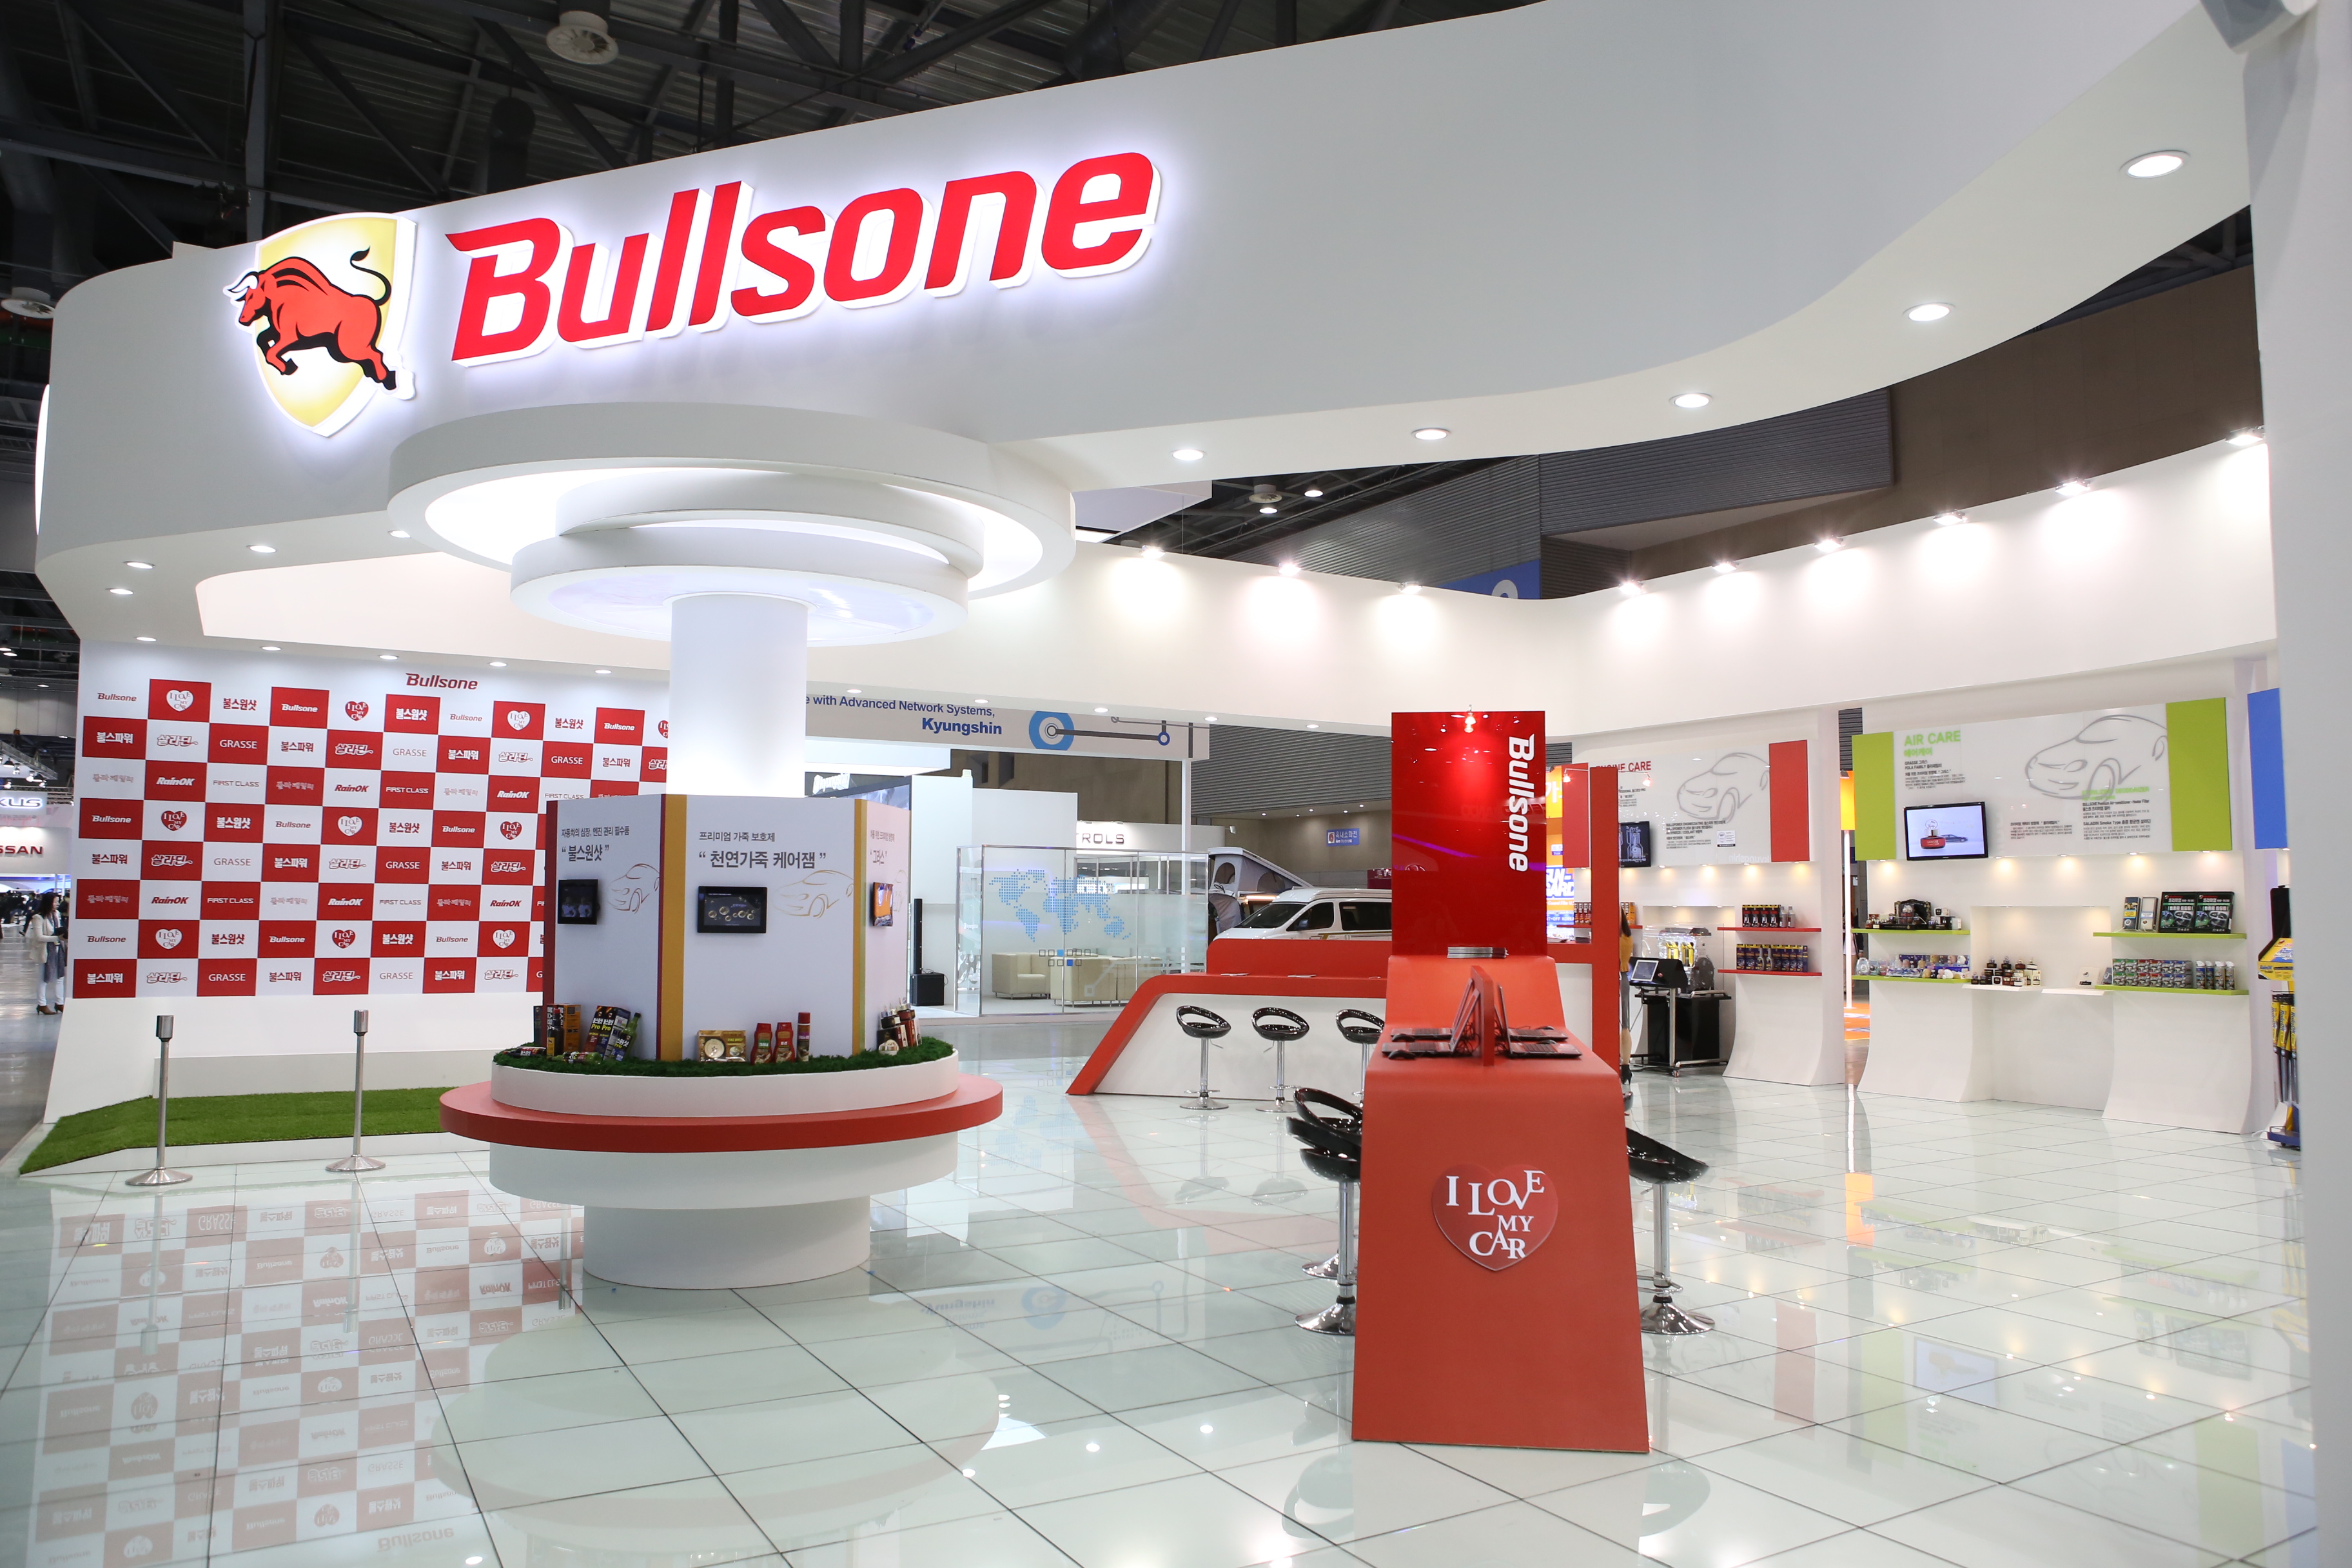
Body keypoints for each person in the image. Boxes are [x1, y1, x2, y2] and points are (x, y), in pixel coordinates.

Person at [28, 892, 61, 1015]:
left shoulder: (56, 914)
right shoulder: (38, 917)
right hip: (45, 951)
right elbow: (39, 937)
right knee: (44, 978)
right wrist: (58, 938)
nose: (57, 904)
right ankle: (42, 1004)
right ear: (49, 903)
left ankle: (60, 1002)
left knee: (60, 977)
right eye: (55, 902)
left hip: (58, 950)